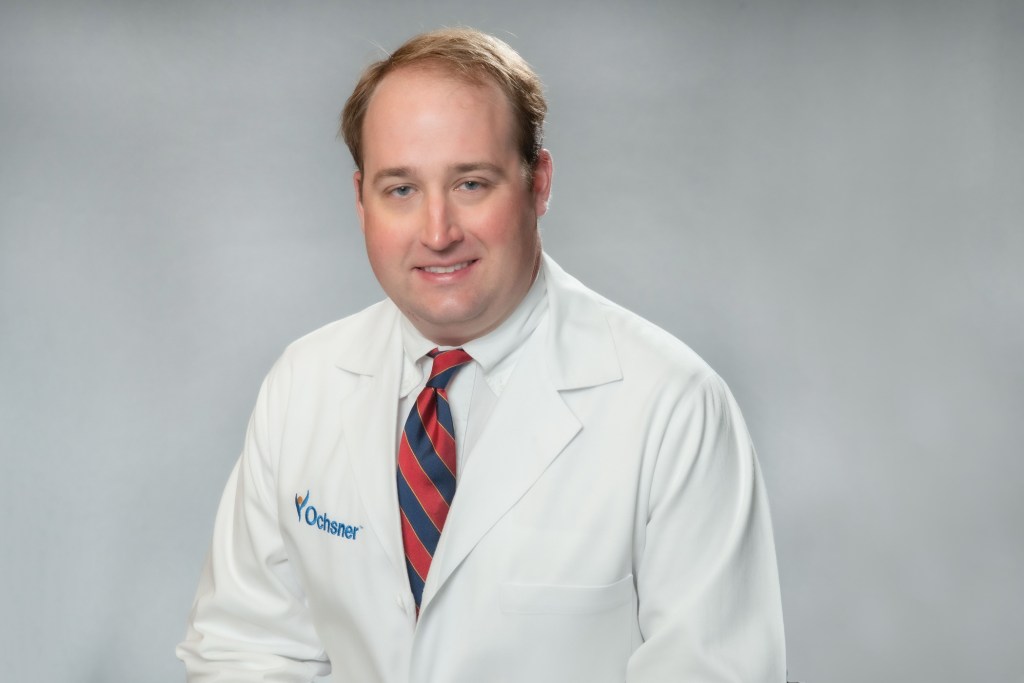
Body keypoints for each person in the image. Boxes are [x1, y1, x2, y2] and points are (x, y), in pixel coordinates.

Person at [177, 27, 786, 682]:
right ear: (360, 201)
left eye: (470, 183)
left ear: (538, 183)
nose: (438, 232)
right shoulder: (303, 385)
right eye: (401, 189)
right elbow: (245, 652)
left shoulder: (673, 406)